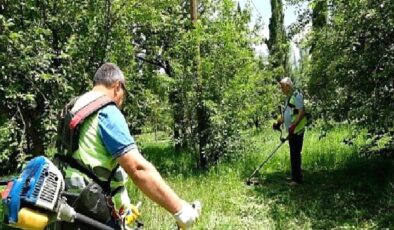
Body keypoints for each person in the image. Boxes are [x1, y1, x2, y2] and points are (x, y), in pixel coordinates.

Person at [57, 63, 200, 229]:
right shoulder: (105, 111)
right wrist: (180, 209)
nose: (121, 101)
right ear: (117, 87)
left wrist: (122, 205)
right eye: (123, 93)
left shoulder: (74, 106)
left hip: (69, 204)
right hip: (93, 212)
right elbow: (138, 169)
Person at [273, 77, 307, 185]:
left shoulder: (297, 96)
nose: (281, 89)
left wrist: (294, 125)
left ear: (288, 86)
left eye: (282, 87)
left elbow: (301, 112)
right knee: (293, 153)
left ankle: (297, 180)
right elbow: (289, 113)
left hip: (297, 129)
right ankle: (295, 176)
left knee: (295, 153)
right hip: (292, 130)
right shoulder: (289, 98)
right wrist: (278, 123)